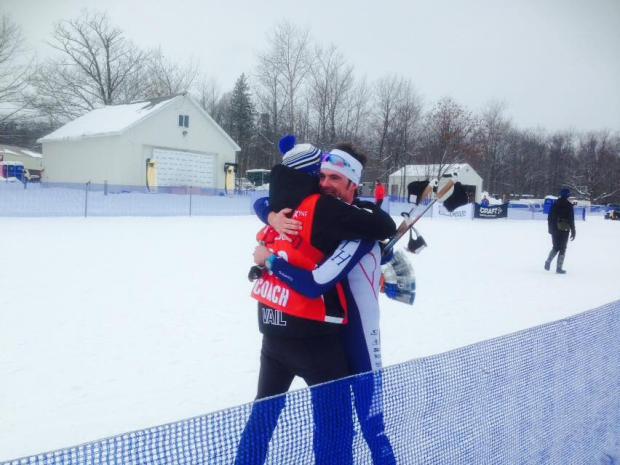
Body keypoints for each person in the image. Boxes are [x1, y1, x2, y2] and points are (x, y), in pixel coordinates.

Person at [236, 140, 396, 465]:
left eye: (335, 178)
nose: (325, 185)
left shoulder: (291, 205)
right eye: (321, 177)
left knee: (263, 418)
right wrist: (271, 261)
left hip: (277, 333)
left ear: (353, 183)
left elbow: (263, 202)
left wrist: (268, 216)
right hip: (318, 343)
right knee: (336, 430)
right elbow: (381, 226)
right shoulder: (325, 210)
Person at [544, 188, 576, 274]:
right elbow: (571, 219)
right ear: (568, 195)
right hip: (564, 229)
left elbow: (549, 217)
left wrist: (550, 228)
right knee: (563, 248)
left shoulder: (555, 204)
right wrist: (573, 231)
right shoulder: (569, 205)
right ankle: (559, 268)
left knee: (555, 247)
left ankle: (548, 261)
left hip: (554, 229)